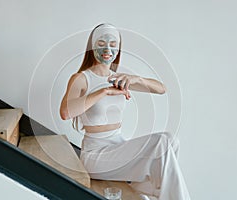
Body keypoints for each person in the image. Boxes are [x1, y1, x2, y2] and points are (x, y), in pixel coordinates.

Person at [60, 23, 190, 200]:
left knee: (171, 141)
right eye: (101, 43)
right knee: (162, 143)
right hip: (96, 155)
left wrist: (135, 78)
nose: (107, 49)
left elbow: (161, 89)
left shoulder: (118, 78)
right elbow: (66, 112)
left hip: (118, 145)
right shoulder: (82, 78)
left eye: (113, 45)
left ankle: (153, 192)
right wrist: (103, 92)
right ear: (92, 46)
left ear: (118, 49)